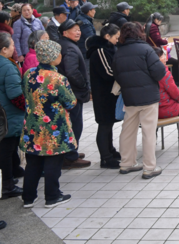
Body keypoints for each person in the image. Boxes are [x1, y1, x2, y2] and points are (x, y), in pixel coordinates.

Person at [20, 40, 77, 208]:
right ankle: (52, 196)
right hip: (54, 128)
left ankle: (28, 198)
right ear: (52, 57)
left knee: (33, 163)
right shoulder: (58, 78)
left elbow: (25, 93)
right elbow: (70, 102)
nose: (60, 56)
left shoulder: (29, 74)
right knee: (53, 162)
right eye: (58, 53)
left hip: (32, 126)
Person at [113, 22, 166, 178]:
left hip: (129, 97)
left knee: (128, 130)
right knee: (149, 132)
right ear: (139, 33)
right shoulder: (146, 49)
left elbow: (116, 75)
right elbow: (159, 71)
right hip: (148, 96)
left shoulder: (118, 52)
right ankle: (149, 167)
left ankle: (126, 163)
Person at [57, 19, 91, 169]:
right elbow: (71, 72)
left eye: (79, 29)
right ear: (65, 33)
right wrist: (83, 85)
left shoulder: (65, 45)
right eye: (75, 30)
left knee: (70, 124)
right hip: (73, 93)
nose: (79, 32)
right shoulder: (69, 48)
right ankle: (70, 156)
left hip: (68, 92)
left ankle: (71, 152)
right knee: (74, 124)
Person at [87, 24, 121, 168]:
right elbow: (108, 72)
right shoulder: (99, 51)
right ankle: (105, 158)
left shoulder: (108, 49)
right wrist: (122, 74)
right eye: (116, 38)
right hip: (103, 94)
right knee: (104, 125)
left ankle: (110, 150)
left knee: (109, 124)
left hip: (109, 94)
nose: (117, 40)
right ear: (107, 36)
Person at [154, 47, 179, 146]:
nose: (165, 58)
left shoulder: (146, 71)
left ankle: (152, 139)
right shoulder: (163, 73)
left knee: (153, 116)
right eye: (162, 56)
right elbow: (176, 94)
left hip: (149, 109)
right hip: (163, 109)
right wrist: (175, 100)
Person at [0, 33, 24, 200]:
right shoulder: (7, 67)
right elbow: (15, 95)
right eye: (12, 45)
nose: (14, 48)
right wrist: (26, 107)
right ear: (4, 49)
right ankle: (7, 185)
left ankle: (12, 174)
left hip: (3, 112)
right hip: (8, 115)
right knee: (7, 150)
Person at [145, 13, 179, 85]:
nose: (161, 22)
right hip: (156, 51)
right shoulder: (153, 27)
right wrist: (165, 41)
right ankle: (176, 81)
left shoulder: (147, 25)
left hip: (152, 49)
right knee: (175, 62)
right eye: (160, 20)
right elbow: (157, 39)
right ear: (156, 19)